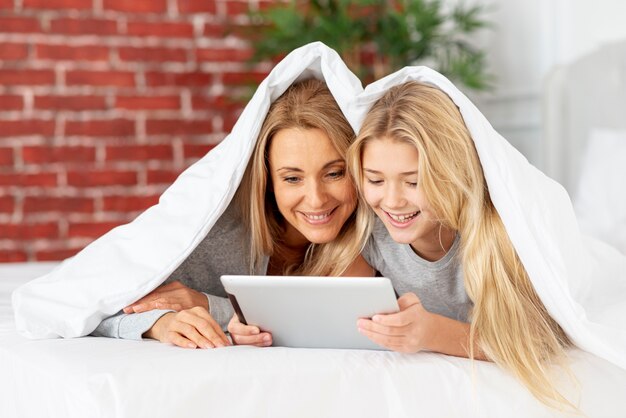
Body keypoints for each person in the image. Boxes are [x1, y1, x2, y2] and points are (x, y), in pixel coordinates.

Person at [92, 79, 372, 349]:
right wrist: (161, 323)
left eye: (334, 173)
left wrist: (211, 305)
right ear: (268, 181)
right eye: (292, 178)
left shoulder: (377, 237)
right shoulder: (215, 237)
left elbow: (328, 324)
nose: (316, 199)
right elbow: (93, 304)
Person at [346, 81, 572, 407]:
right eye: (376, 180)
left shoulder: (496, 234)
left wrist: (434, 333)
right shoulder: (369, 233)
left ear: (452, 172)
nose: (392, 201)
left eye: (414, 181)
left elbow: (538, 339)